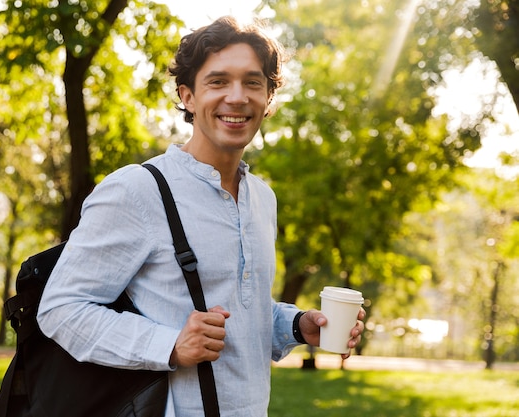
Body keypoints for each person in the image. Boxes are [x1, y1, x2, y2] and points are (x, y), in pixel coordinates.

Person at [37, 16, 365, 416]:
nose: (237, 96)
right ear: (188, 97)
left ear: (268, 99)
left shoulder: (262, 198)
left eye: (252, 82)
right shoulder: (138, 190)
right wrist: (170, 344)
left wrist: (298, 326)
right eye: (218, 82)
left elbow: (244, 311)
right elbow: (61, 309)